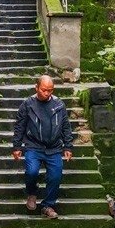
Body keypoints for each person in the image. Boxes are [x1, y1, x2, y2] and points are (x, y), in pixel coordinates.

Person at [12, 74, 73, 219]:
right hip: (33, 145)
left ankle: (48, 206)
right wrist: (17, 146)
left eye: (50, 90)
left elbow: (66, 126)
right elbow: (19, 125)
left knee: (55, 176)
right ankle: (32, 193)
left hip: (54, 147)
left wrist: (68, 146)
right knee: (32, 172)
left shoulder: (59, 104)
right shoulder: (28, 104)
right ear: (37, 88)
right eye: (44, 90)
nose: (47, 93)